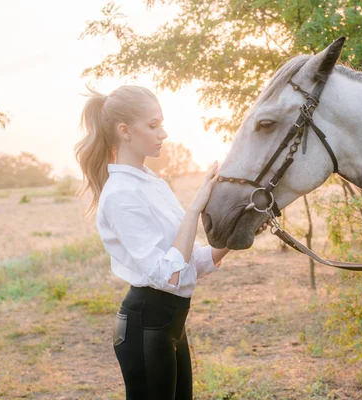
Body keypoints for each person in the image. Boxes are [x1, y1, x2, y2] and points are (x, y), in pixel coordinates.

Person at [74, 85, 268, 399]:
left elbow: (190, 263)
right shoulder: (122, 194)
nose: (163, 133)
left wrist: (244, 227)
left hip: (169, 324)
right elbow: (168, 274)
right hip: (146, 324)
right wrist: (194, 207)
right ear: (124, 131)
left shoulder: (151, 183)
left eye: (161, 123)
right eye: (153, 125)